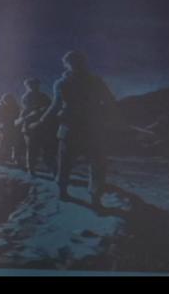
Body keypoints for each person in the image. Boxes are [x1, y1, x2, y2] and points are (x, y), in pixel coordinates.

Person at [31, 51, 116, 206]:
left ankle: (90, 195)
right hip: (76, 127)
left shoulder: (82, 82)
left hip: (84, 127)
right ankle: (72, 192)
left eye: (77, 61)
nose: (76, 64)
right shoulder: (67, 83)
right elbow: (55, 106)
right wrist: (42, 121)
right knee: (71, 163)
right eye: (73, 62)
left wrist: (41, 121)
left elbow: (109, 101)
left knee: (90, 163)